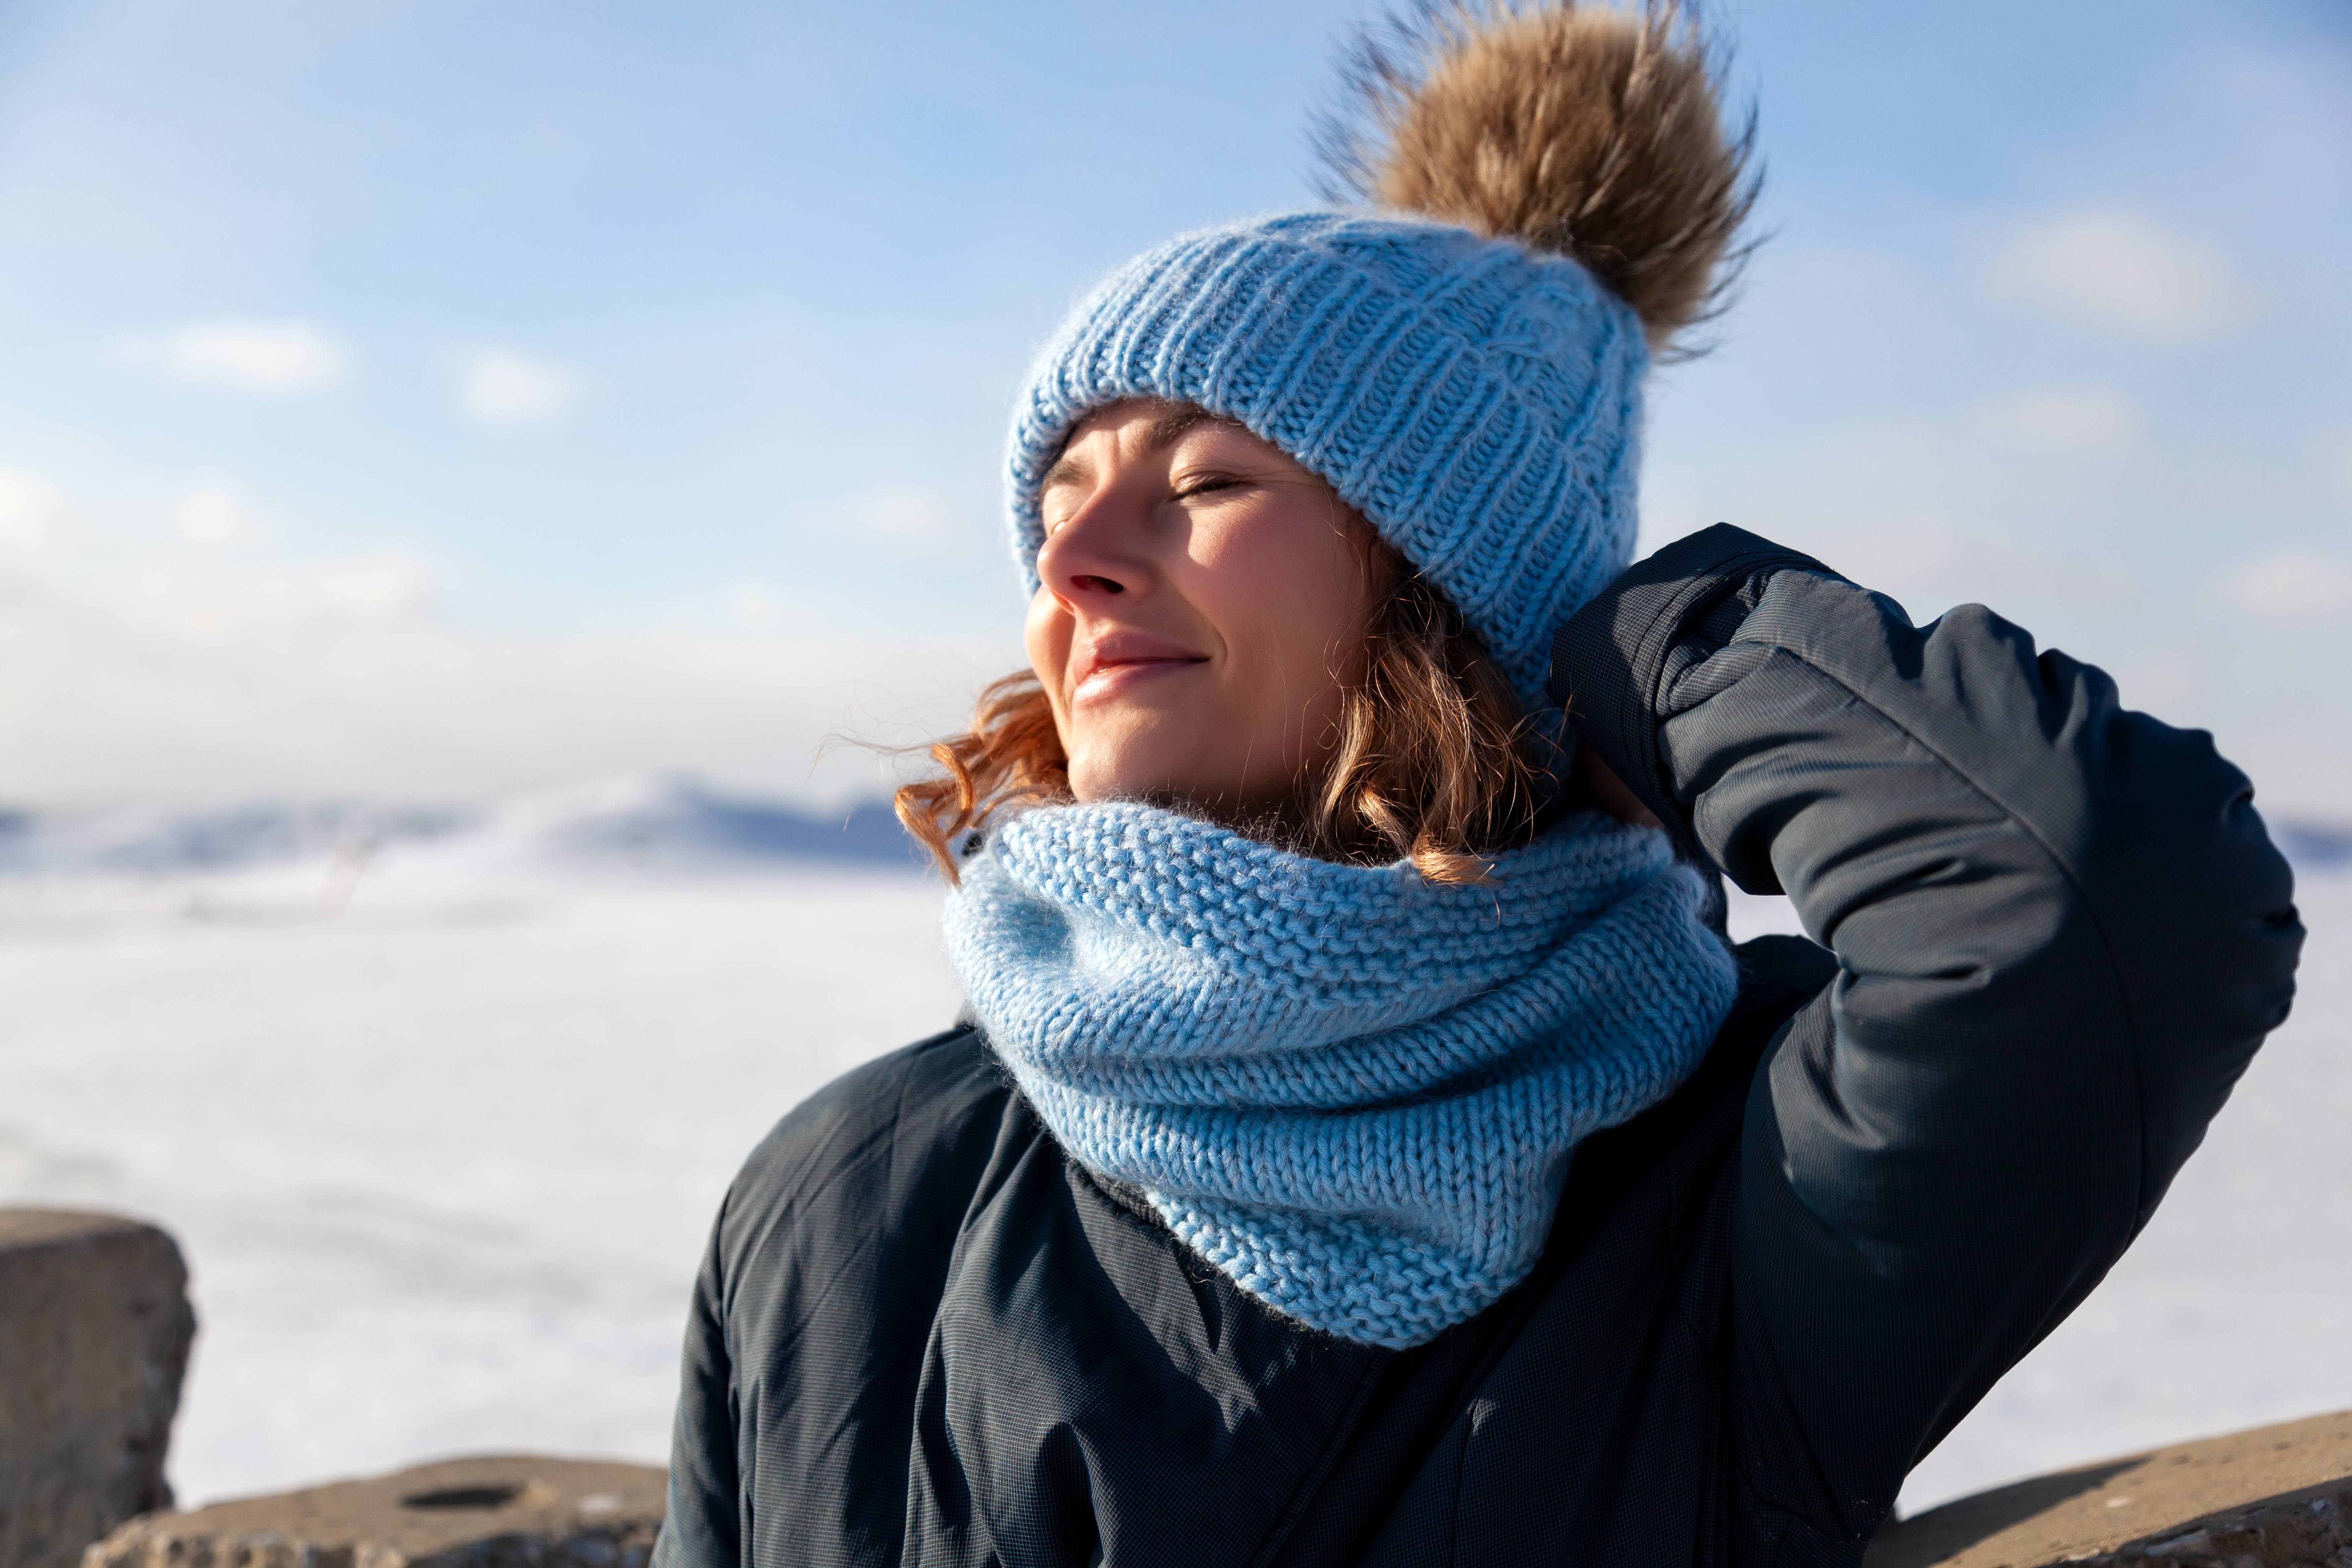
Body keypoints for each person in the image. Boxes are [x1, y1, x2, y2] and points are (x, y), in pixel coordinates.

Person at [651, 5, 2304, 1564]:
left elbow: (2099, 900)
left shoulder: (1725, 1186)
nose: (1070, 559)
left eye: (1207, 480)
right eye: (1059, 495)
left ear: (1455, 584)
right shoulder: (846, 1190)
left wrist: (1637, 644)